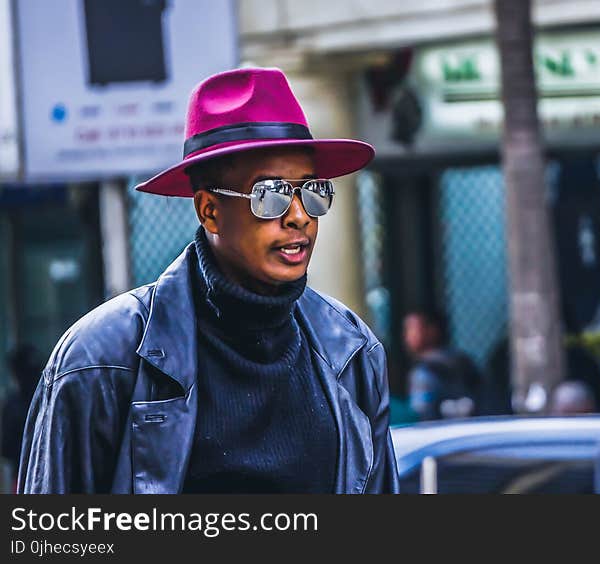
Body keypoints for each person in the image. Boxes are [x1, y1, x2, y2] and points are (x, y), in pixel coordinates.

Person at [18, 67, 398, 493]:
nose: (299, 216)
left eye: (312, 190)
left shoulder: (350, 350)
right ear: (209, 211)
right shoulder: (100, 358)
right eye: (270, 194)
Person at [403, 309, 481, 420]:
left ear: (432, 330)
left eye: (412, 329)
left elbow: (420, 415)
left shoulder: (423, 374)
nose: (407, 337)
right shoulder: (464, 362)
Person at [2, 345, 41, 491]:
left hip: (23, 474)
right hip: (34, 473)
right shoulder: (48, 399)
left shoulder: (13, 404)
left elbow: (6, 448)